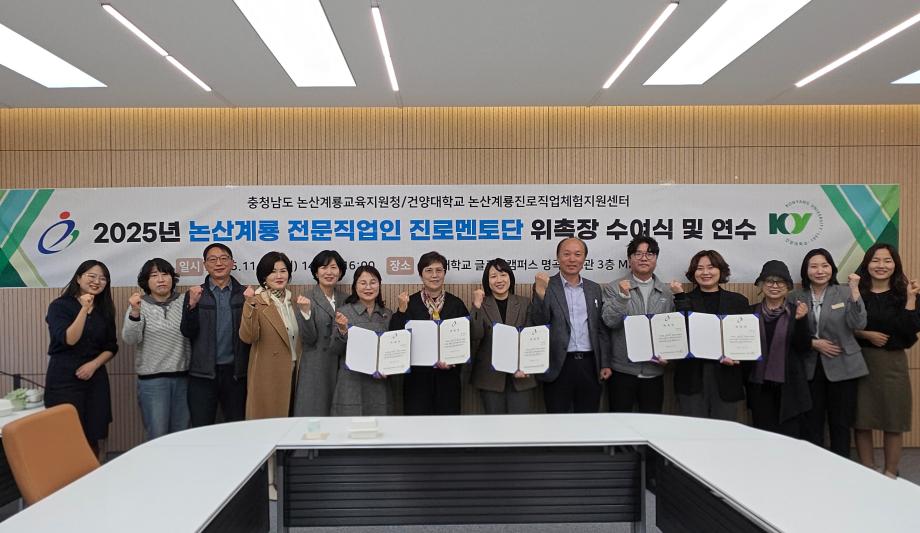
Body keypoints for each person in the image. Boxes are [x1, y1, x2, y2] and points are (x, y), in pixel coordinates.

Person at [790, 248, 867, 457]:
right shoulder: (795, 296)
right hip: (809, 366)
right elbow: (790, 332)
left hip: (843, 364)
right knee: (811, 422)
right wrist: (813, 343)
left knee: (841, 423)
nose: (820, 271)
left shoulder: (845, 292)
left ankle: (841, 468)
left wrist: (855, 291)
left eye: (825, 266)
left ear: (832, 268)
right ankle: (814, 467)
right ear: (806, 270)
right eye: (814, 266)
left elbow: (858, 323)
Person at [852, 243, 920, 478]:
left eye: (887, 261)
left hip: (893, 363)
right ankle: (867, 471)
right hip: (860, 362)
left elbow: (910, 330)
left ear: (895, 265)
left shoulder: (905, 293)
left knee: (894, 419)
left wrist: (910, 299)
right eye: (876, 260)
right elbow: (844, 326)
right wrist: (865, 334)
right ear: (867, 264)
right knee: (862, 419)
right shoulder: (857, 292)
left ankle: (891, 473)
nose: (881, 265)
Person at [44, 260, 118, 454]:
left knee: (94, 432)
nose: (97, 281)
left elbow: (111, 346)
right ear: (78, 278)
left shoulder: (105, 309)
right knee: (65, 433)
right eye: (91, 276)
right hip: (64, 379)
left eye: (103, 278)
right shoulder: (59, 306)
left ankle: (95, 469)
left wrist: (94, 365)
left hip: (95, 378)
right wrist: (84, 309)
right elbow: (69, 339)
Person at [530, 238, 611, 413]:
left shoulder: (594, 288)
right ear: (558, 257)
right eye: (566, 254)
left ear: (584, 258)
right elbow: (538, 324)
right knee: (557, 420)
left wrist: (604, 362)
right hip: (558, 365)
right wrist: (540, 294)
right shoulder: (546, 285)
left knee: (588, 418)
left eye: (577, 254)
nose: (572, 259)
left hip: (590, 364)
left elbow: (600, 329)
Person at [602, 235, 678, 414]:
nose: (644, 258)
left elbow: (673, 330)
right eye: (638, 254)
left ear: (656, 259)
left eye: (649, 254)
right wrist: (622, 297)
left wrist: (670, 355)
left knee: (651, 423)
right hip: (622, 370)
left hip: (654, 370)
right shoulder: (613, 288)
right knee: (619, 423)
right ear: (629, 259)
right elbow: (610, 322)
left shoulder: (667, 292)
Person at [672, 250, 749, 420]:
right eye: (700, 268)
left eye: (711, 267)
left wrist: (739, 356)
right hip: (691, 378)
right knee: (693, 431)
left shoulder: (738, 301)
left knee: (723, 431)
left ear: (721, 270)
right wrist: (680, 297)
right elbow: (678, 335)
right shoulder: (682, 300)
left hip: (727, 376)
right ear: (693, 273)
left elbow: (746, 338)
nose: (705, 272)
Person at [390, 251, 469, 415]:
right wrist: (401, 311)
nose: (434, 275)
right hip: (417, 381)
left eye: (439, 270)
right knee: (417, 426)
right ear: (421, 275)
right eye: (429, 270)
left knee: (448, 425)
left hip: (448, 380)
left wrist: (455, 360)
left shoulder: (456, 304)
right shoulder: (409, 304)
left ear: (444, 273)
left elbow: (467, 339)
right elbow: (395, 338)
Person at [181, 243, 249, 427]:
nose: (219, 263)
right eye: (212, 259)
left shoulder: (244, 294)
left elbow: (252, 334)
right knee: (201, 427)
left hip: (236, 374)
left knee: (237, 426)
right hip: (202, 374)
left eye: (224, 258)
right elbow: (187, 331)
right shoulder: (196, 294)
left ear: (232, 263)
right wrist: (191, 306)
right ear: (205, 264)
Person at [122, 258, 191, 441]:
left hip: (184, 378)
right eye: (154, 275)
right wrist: (135, 312)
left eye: (165, 274)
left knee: (183, 434)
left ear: (172, 278)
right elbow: (130, 339)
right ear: (146, 281)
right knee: (157, 435)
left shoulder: (184, 301)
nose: (161, 279)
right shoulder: (139, 304)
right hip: (152, 382)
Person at [745, 260, 812, 438]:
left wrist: (801, 321)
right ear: (761, 285)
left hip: (790, 387)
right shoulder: (749, 313)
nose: (774, 286)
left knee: (790, 437)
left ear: (788, 286)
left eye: (780, 282)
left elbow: (804, 348)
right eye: (769, 281)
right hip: (759, 387)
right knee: (763, 437)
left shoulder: (797, 312)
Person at [239, 251, 309, 420]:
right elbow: (248, 337)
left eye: (283, 271)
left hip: (295, 372)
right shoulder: (256, 301)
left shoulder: (294, 302)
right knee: (268, 424)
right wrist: (249, 304)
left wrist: (306, 313)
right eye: (272, 271)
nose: (279, 276)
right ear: (264, 277)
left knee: (291, 423)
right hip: (268, 375)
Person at [470, 258, 537, 414]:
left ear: (510, 278)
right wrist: (476, 306)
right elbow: (475, 335)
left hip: (521, 376)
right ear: (487, 281)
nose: (499, 280)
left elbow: (530, 339)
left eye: (503, 275)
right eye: (493, 276)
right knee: (494, 425)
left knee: (520, 424)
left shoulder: (524, 303)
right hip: (490, 377)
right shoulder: (481, 304)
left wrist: (525, 365)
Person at [328, 265, 394, 416]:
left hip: (379, 385)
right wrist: (342, 330)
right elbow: (335, 349)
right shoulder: (343, 312)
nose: (368, 287)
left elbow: (393, 352)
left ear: (379, 285)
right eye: (363, 283)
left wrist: (390, 369)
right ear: (355, 286)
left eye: (373, 282)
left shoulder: (387, 314)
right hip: (351, 384)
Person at [293, 250, 348, 417]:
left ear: (340, 272)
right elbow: (308, 339)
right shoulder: (306, 299)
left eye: (333, 267)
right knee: (314, 415)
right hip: (315, 368)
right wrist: (306, 313)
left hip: (342, 367)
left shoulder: (347, 299)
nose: (329, 272)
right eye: (324, 267)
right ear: (316, 273)